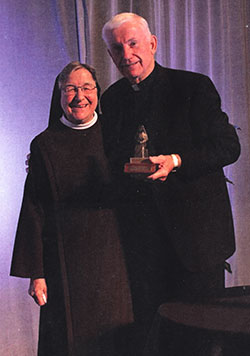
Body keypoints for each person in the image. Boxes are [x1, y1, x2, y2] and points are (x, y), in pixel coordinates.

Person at [100, 12, 241, 352]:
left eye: (133, 44)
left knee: (201, 342)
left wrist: (176, 161)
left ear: (152, 44)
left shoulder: (193, 86)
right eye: (117, 49)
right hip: (144, 246)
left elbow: (228, 146)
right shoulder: (112, 99)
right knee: (155, 342)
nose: (126, 54)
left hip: (197, 243)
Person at [10, 61, 134, 356]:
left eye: (87, 88)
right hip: (63, 264)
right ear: (59, 94)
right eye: (71, 89)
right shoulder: (44, 144)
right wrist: (36, 273)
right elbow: (33, 209)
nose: (80, 97)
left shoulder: (115, 136)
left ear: (97, 92)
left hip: (115, 261)